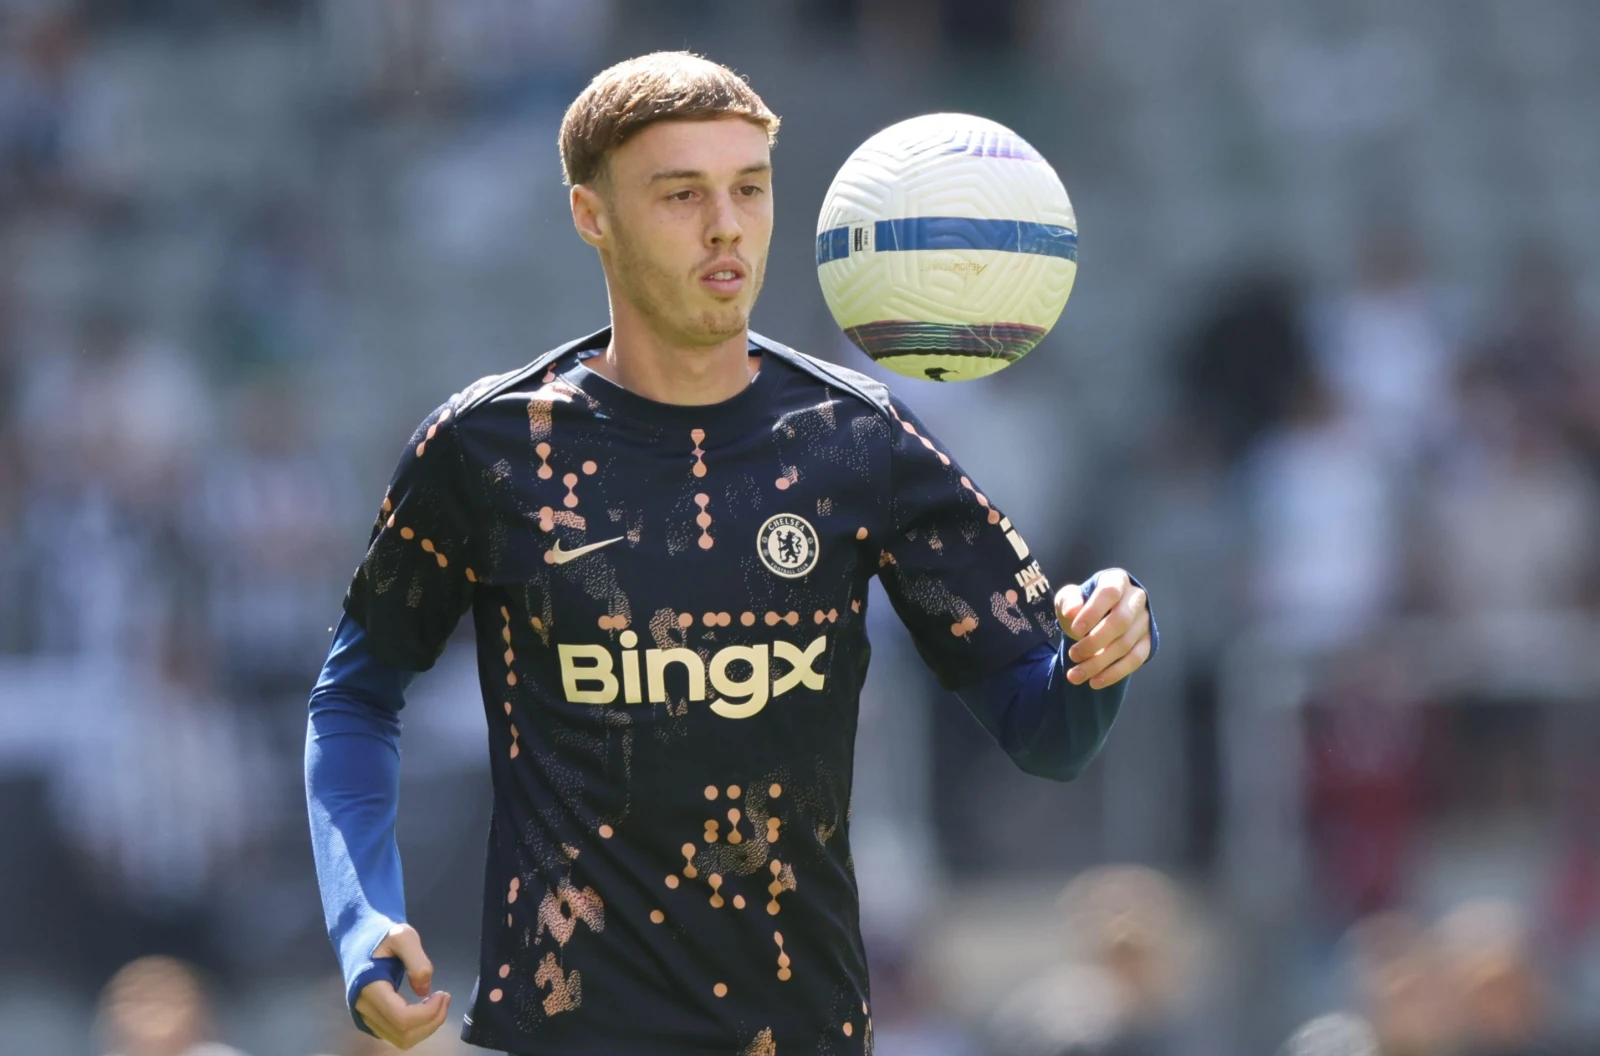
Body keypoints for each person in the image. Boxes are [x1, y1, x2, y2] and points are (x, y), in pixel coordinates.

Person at [306, 51, 1157, 1054]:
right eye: (680, 194)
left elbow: (1047, 730)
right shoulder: (489, 449)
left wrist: (1099, 643)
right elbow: (356, 697)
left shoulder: (856, 441)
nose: (725, 225)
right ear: (592, 215)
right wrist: (364, 923)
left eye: (748, 189)